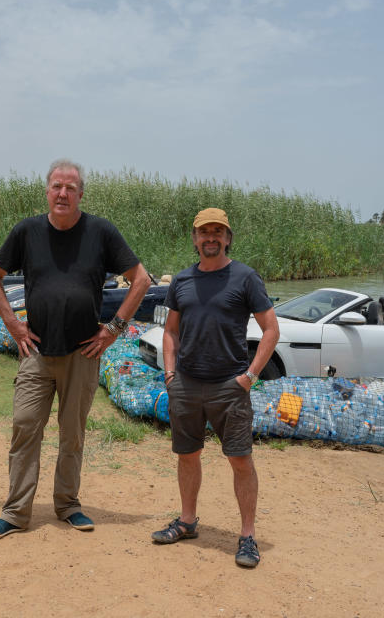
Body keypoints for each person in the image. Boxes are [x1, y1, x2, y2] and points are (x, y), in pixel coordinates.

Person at [0, 159, 151, 539]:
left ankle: (68, 505)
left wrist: (114, 329)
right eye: (57, 186)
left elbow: (141, 279)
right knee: (25, 426)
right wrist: (11, 322)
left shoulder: (101, 232)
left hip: (82, 353)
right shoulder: (27, 232)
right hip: (36, 351)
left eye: (70, 188)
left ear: (80, 194)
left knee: (72, 433)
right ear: (47, 191)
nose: (63, 193)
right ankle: (16, 512)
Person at [150, 208, 279, 568]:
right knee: (187, 455)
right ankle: (188, 521)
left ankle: (248, 536)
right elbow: (171, 331)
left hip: (230, 386)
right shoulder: (181, 281)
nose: (210, 237)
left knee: (240, 459)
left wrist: (250, 376)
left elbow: (271, 329)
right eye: (203, 232)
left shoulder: (245, 278)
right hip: (187, 384)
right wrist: (171, 374)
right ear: (194, 238)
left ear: (228, 238)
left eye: (217, 232)